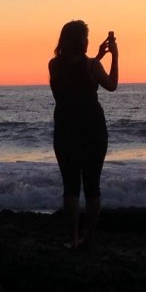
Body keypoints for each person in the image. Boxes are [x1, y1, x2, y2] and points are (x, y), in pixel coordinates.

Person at [48, 20, 118, 249]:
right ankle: (89, 239)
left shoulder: (54, 65)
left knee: (70, 187)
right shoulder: (92, 67)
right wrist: (114, 56)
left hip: (66, 130)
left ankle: (73, 239)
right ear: (80, 41)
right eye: (85, 37)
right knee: (92, 186)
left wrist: (97, 57)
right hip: (93, 130)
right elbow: (111, 84)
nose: (87, 41)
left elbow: (76, 77)